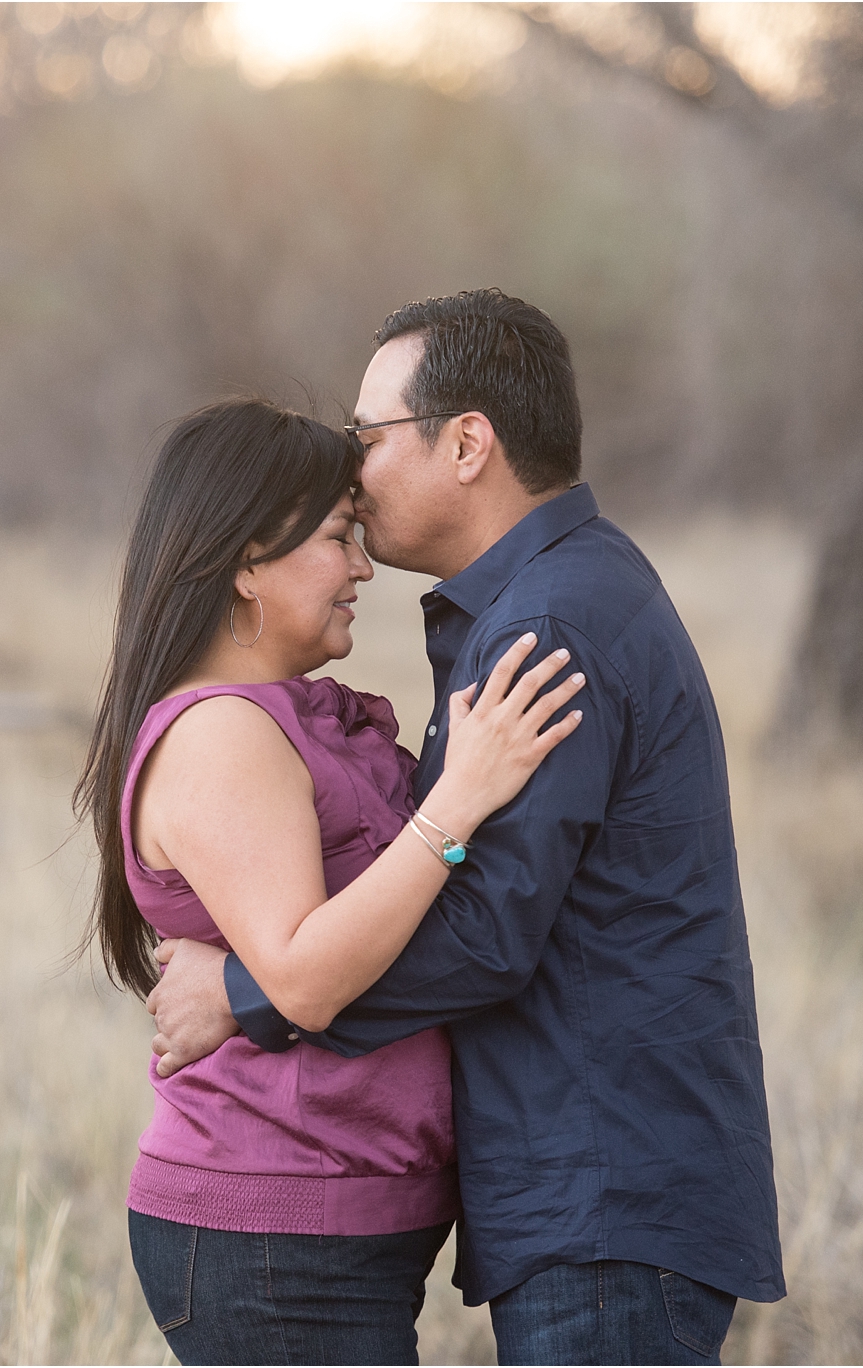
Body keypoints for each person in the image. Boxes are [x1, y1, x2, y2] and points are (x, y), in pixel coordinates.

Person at [146, 289, 786, 1366]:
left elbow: (488, 931)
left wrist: (244, 995)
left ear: (467, 443)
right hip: (603, 1185)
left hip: (602, 1190)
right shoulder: (562, 594)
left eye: (369, 436)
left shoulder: (546, 625)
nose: (351, 467)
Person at [75, 397, 588, 1365]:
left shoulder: (279, 719)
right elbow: (304, 977)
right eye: (336, 537)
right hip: (273, 1231)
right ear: (242, 562)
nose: (362, 567)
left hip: (325, 1228)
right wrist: (457, 803)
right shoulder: (223, 734)